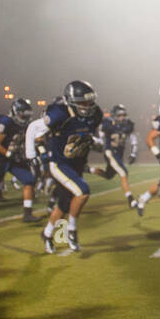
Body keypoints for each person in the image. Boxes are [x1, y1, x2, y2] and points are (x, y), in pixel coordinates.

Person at [36, 81, 101, 253]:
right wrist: (44, 157)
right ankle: (71, 230)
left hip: (76, 164)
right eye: (82, 102)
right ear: (71, 101)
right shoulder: (59, 114)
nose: (87, 106)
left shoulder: (95, 115)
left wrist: (93, 142)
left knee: (64, 204)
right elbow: (37, 136)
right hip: (59, 163)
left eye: (89, 101)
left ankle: (47, 233)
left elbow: (89, 135)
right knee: (83, 191)